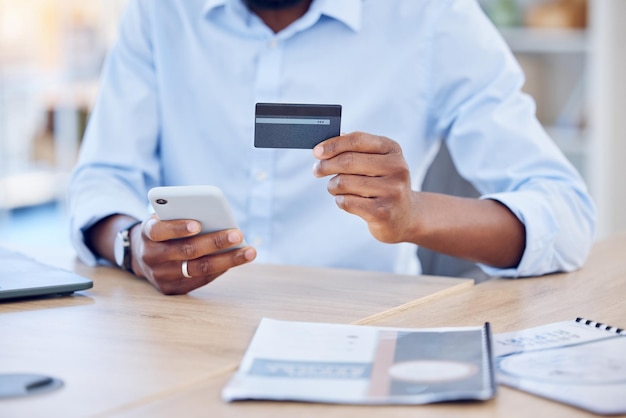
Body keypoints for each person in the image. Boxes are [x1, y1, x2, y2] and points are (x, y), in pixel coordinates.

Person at [67, 0, 596, 295]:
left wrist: (415, 215)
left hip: (363, 329)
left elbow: (565, 214)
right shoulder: (159, 14)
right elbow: (101, 179)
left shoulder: (433, 18)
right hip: (181, 327)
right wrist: (131, 245)